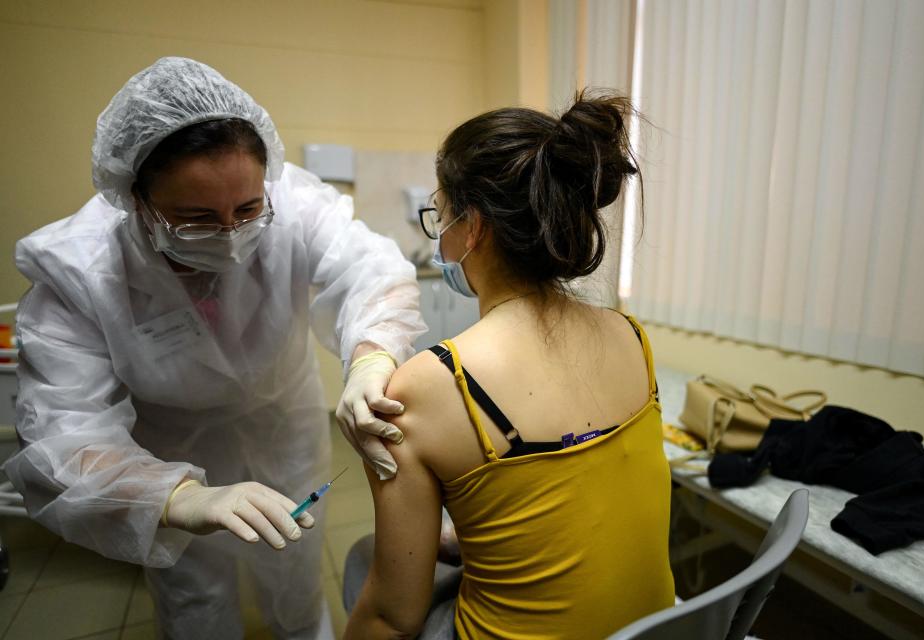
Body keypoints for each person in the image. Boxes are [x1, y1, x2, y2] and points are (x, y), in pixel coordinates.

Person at [4, 57, 425, 639]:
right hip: (170, 446)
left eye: (247, 210)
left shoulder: (294, 205)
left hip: (285, 425)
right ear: (135, 199)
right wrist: (178, 499)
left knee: (296, 574)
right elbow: (62, 432)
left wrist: (373, 357)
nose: (231, 235)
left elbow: (372, 272)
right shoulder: (81, 268)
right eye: (195, 218)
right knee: (195, 594)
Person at [342, 92, 675, 639]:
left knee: (361, 564)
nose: (440, 234)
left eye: (442, 214)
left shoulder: (429, 386)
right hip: (655, 629)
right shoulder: (631, 336)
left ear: (472, 228)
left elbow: (391, 617)